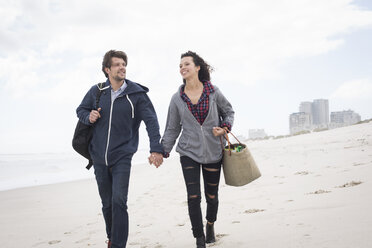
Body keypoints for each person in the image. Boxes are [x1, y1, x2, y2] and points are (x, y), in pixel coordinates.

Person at [76, 50, 164, 248]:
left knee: (118, 201)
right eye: (116, 64)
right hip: (98, 157)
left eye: (123, 64)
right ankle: (111, 238)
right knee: (107, 204)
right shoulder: (97, 91)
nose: (122, 67)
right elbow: (80, 110)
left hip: (122, 156)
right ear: (107, 70)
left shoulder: (137, 95)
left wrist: (156, 149)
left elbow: (151, 121)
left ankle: (118, 245)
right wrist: (88, 116)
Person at [160, 51, 234, 248]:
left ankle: (210, 223)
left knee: (212, 197)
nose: (182, 68)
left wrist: (225, 127)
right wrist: (162, 151)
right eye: (180, 65)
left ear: (198, 67)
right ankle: (199, 239)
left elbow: (228, 112)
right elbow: (172, 128)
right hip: (188, 152)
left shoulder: (213, 92)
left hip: (213, 151)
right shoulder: (177, 98)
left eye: (187, 64)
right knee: (193, 197)